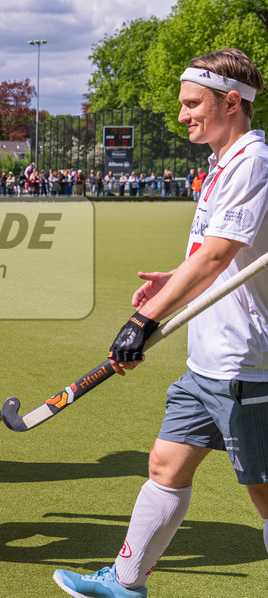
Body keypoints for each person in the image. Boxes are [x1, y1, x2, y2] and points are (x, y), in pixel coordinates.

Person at [53, 48, 268, 597]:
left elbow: (218, 256)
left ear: (231, 101)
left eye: (193, 103)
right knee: (166, 465)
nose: (182, 115)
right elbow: (219, 258)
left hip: (248, 366)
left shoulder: (252, 161)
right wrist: (174, 278)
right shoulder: (223, 163)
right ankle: (127, 582)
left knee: (265, 495)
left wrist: (144, 319)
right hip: (208, 362)